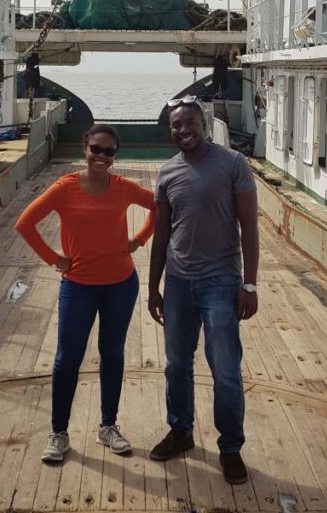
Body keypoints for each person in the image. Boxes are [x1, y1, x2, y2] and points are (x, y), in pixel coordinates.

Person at [15, 123, 156, 464]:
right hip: (78, 286)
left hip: (121, 285)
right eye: (96, 149)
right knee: (67, 359)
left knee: (112, 354)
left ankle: (108, 426)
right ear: (85, 149)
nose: (102, 156)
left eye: (109, 151)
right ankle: (59, 433)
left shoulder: (122, 188)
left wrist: (138, 240)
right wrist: (55, 259)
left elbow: (160, 207)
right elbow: (24, 223)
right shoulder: (65, 188)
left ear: (115, 155)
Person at [148, 98, 258, 485]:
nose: (184, 130)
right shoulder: (166, 173)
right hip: (177, 283)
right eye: (177, 125)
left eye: (190, 122)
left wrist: (249, 284)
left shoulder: (232, 164)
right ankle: (181, 431)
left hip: (221, 282)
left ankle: (230, 448)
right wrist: (153, 288)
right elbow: (162, 235)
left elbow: (250, 228)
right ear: (171, 130)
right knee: (176, 365)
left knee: (225, 370)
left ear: (204, 124)